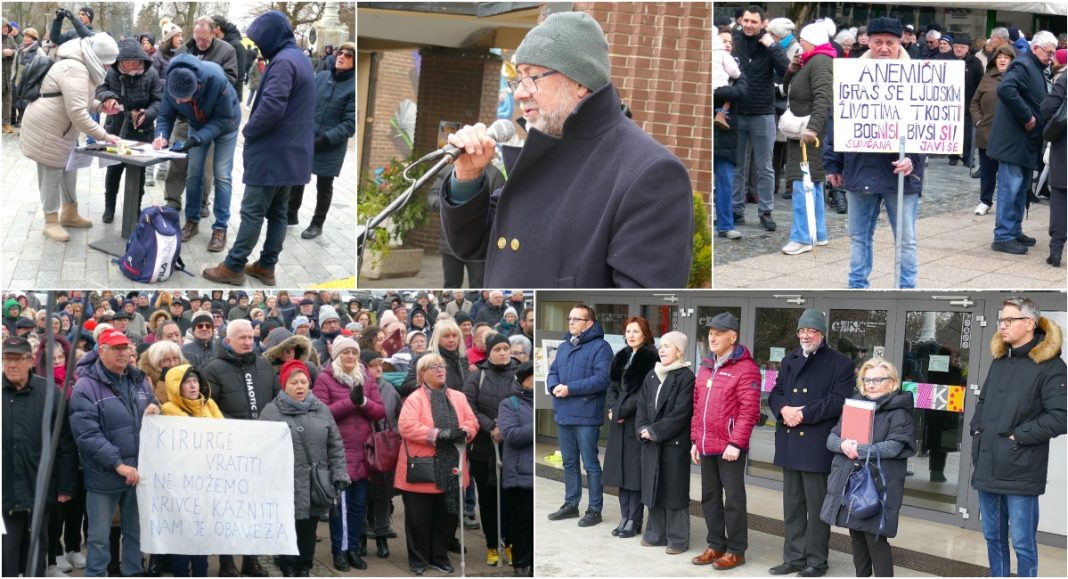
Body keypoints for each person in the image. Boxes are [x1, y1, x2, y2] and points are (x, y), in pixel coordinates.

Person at [440, 12, 694, 287]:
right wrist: (467, 177)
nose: (520, 93)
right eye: (518, 79)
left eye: (532, 77)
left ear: (581, 82)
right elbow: (474, 246)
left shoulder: (652, 172)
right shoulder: (545, 149)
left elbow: (640, 302)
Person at [202, 11, 315, 286]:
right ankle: (266, 266)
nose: (258, 46)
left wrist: (249, 131)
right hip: (292, 153)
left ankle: (234, 266)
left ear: (271, 37)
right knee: (278, 212)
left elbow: (273, 106)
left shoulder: (284, 62)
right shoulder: (299, 58)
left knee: (253, 211)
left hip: (273, 153)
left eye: (260, 40)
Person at [823, 17, 925, 288]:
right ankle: (857, 286)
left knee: (905, 238)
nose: (883, 48)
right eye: (877, 42)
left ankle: (906, 289)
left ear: (900, 42)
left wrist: (912, 160)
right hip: (860, 168)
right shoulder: (852, 75)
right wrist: (833, 165)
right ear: (867, 41)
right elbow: (837, 121)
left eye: (890, 43)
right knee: (858, 236)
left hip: (901, 173)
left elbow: (929, 128)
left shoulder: (918, 77)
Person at [970, 297, 1066, 577]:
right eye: (1001, 320)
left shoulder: (1051, 366)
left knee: (1023, 543)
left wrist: (1017, 437)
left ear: (1029, 323)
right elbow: (984, 401)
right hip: (988, 464)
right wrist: (977, 428)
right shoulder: (1000, 360)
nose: (1002, 326)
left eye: (1008, 320)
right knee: (993, 537)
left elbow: (1060, 417)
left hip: (1020, 470)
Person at [766, 309, 855, 577]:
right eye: (802, 331)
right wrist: (783, 410)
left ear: (822, 334)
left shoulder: (840, 363)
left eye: (811, 331)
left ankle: (817, 560)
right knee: (792, 506)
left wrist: (803, 413)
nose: (805, 335)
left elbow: (838, 400)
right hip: (790, 442)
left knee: (817, 508)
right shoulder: (789, 359)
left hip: (815, 444)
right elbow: (776, 392)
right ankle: (793, 558)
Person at [68, 329, 160, 577]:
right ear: (102, 351)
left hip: (138, 473)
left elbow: (152, 408)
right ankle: (96, 573)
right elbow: (87, 435)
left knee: (135, 531)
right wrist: (118, 464)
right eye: (116, 348)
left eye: (126, 347)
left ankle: (133, 572)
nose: (124, 352)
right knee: (98, 537)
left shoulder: (138, 380)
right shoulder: (85, 387)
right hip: (105, 475)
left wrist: (155, 408)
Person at [20, 33, 121, 242]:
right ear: (96, 58)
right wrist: (104, 135)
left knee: (69, 170)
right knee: (51, 175)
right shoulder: (75, 68)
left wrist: (101, 106)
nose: (108, 68)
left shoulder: (83, 65)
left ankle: (69, 213)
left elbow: (81, 100)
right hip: (48, 129)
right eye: (107, 64)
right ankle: (50, 221)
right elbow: (77, 111)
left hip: (62, 129)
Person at [821, 358, 916, 577]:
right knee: (856, 536)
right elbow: (832, 439)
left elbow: (894, 447)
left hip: (879, 485)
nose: (871, 384)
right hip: (852, 482)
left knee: (875, 540)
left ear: (891, 383)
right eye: (867, 379)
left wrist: (859, 450)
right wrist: (844, 444)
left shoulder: (899, 412)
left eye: (878, 379)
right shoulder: (856, 406)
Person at [260, 359, 350, 577]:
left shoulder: (321, 409)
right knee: (287, 525)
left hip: (315, 481)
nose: (300, 387)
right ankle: (287, 565)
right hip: (284, 482)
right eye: (294, 383)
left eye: (304, 382)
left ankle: (304, 566)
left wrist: (339, 473)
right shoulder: (271, 412)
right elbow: (261, 447)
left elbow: (335, 444)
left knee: (309, 528)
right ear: (284, 385)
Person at [200, 320, 275, 577]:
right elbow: (209, 408)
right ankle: (226, 562)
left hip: (260, 449)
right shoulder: (213, 369)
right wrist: (239, 431)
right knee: (228, 510)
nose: (247, 342)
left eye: (250, 337)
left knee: (253, 509)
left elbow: (275, 402)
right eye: (241, 338)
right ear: (228, 340)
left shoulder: (264, 365)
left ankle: (251, 560)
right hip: (229, 450)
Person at [395, 353, 479, 575]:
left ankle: (439, 556)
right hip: (421, 469)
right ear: (422, 374)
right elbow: (406, 427)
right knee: (418, 519)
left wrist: (465, 431)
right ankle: (419, 560)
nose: (440, 370)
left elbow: (472, 421)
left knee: (447, 517)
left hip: (452, 467)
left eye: (441, 366)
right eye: (434, 367)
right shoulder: (415, 399)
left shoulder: (458, 397)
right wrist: (440, 434)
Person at [3, 336, 78, 578]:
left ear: (31, 361)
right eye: (7, 359)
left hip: (40, 486)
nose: (11, 365)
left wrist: (65, 485)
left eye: (17, 359)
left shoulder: (48, 393)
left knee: (37, 548)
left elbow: (64, 443)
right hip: (4, 491)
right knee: (7, 549)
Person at [690, 313, 760, 570]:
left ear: (733, 336)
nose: (712, 337)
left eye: (719, 333)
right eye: (710, 333)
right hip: (707, 444)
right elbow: (697, 406)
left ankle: (736, 550)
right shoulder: (706, 365)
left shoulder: (746, 368)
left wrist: (736, 444)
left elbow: (749, 411)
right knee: (709, 498)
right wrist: (696, 440)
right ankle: (715, 544)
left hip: (730, 447)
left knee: (733, 501)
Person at [152, 53, 240, 253]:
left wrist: (194, 140)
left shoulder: (216, 79)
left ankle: (220, 227)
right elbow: (165, 115)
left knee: (222, 175)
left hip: (227, 125)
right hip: (198, 124)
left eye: (186, 97)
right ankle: (192, 220)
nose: (181, 101)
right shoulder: (172, 84)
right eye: (178, 98)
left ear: (197, 86)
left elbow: (223, 118)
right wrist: (162, 136)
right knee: (193, 172)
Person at [310, 337, 384, 572]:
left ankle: (352, 548)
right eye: (346, 353)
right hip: (337, 455)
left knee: (358, 507)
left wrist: (362, 401)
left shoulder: (366, 378)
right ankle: (338, 551)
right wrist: (350, 403)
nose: (350, 357)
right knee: (338, 509)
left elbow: (379, 410)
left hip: (362, 455)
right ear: (337, 356)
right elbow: (322, 414)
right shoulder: (325, 378)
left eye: (354, 352)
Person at [987, 31, 1059, 255]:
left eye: (1053, 53)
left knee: (1021, 189)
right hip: (1014, 141)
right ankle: (1003, 235)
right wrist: (1027, 116)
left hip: (1025, 142)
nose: (1051, 57)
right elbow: (1005, 89)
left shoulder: (1034, 66)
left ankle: (1014, 230)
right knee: (1012, 188)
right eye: (1049, 52)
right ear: (1036, 48)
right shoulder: (1023, 64)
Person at [545, 304, 612, 526]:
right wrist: (553, 385)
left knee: (590, 464)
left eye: (576, 319)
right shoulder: (564, 347)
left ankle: (594, 509)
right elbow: (553, 372)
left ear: (589, 323)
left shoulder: (600, 347)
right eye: (569, 318)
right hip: (564, 413)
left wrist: (570, 388)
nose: (571, 322)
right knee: (569, 463)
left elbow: (602, 379)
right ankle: (571, 504)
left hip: (586, 415)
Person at [731, 5, 791, 232]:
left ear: (762, 24)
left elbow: (786, 70)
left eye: (753, 22)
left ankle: (765, 211)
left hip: (763, 113)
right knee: (738, 165)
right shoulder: (734, 41)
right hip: (737, 112)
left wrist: (773, 47)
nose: (748, 25)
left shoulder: (769, 44)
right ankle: (736, 210)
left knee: (765, 166)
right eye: (746, 20)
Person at [635, 331, 695, 555]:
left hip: (673, 444)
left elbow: (681, 413)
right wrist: (642, 428)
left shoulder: (686, 376)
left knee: (674, 491)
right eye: (661, 345)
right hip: (651, 441)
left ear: (679, 350)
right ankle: (655, 534)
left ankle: (677, 539)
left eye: (668, 346)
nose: (662, 349)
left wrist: (655, 431)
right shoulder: (652, 375)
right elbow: (642, 405)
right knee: (653, 488)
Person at [288, 42, 355, 239]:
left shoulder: (353, 87)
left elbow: (350, 124)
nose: (341, 57)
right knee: (298, 177)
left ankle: (317, 224)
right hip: (308, 137)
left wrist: (325, 139)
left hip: (331, 144)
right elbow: (305, 103)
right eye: (340, 53)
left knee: (324, 186)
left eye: (348, 55)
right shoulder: (322, 77)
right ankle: (290, 214)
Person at [463, 332, 519, 565]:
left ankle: (511, 542)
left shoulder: (519, 373)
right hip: (483, 448)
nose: (503, 352)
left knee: (511, 499)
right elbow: (468, 406)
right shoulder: (477, 376)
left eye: (506, 348)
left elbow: (526, 401)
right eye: (498, 349)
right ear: (489, 352)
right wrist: (489, 426)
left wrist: (506, 427)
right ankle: (492, 545)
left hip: (513, 446)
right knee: (487, 499)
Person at [780, 22, 834, 255]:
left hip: (808, 133)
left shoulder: (820, 62)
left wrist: (812, 129)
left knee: (802, 183)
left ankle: (802, 237)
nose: (799, 43)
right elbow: (787, 89)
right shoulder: (810, 61)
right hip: (804, 130)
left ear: (812, 40)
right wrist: (792, 69)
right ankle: (818, 232)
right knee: (814, 182)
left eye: (802, 39)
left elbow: (824, 98)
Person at [95, 38, 163, 223]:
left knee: (138, 173)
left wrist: (147, 114)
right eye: (127, 62)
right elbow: (100, 89)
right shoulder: (112, 73)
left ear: (141, 60)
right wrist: (108, 97)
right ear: (120, 61)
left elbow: (158, 100)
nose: (131, 65)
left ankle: (135, 207)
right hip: (116, 128)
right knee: (113, 171)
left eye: (135, 61)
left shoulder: (151, 74)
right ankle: (109, 207)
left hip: (142, 130)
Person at [603, 316, 658, 539]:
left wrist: (619, 412)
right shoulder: (622, 355)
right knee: (620, 473)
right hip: (618, 422)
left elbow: (642, 394)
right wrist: (612, 408)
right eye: (628, 331)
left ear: (645, 334)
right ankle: (624, 517)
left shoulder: (651, 358)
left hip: (636, 421)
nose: (631, 335)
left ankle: (634, 519)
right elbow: (612, 387)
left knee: (634, 475)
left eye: (636, 331)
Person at [971, 45, 1017, 216]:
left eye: (1006, 57)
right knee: (987, 171)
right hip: (987, 132)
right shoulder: (987, 78)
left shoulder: (1017, 78)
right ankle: (985, 201)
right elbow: (974, 102)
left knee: (1007, 173)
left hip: (1009, 135)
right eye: (999, 57)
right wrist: (978, 121)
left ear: (1012, 60)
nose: (1002, 60)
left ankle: (1007, 205)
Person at [498, 360, 534, 577]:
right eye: (532, 377)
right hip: (519, 475)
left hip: (533, 475)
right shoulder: (508, 404)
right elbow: (511, 436)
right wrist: (538, 424)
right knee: (521, 524)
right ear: (523, 381)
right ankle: (521, 565)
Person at [714, 26, 748, 240]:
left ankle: (726, 224)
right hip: (717, 128)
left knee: (725, 180)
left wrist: (719, 92)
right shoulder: (720, 65)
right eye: (722, 40)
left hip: (725, 131)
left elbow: (742, 90)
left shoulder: (734, 65)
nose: (727, 44)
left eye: (729, 41)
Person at [1041, 69, 1066, 267]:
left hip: (1064, 147)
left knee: (1060, 197)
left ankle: (1056, 249)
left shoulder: (1065, 78)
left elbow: (1048, 108)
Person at [949, 35, 984, 168]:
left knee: (967, 133)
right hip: (949, 103)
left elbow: (980, 82)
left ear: (968, 49)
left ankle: (968, 157)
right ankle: (952, 156)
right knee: (951, 131)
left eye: (962, 47)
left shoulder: (975, 62)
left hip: (967, 103)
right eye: (956, 47)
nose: (958, 49)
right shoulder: (946, 58)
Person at [137, 339, 184, 405]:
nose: (172, 364)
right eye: (166, 360)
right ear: (156, 361)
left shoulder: (187, 376)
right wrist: (163, 382)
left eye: (175, 358)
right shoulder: (145, 380)